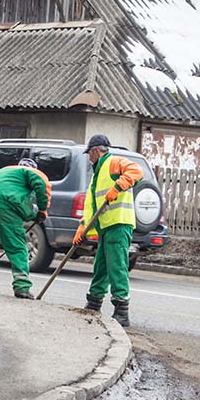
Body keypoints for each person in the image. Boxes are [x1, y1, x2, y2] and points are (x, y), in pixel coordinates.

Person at [73, 134, 142, 326]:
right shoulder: (98, 173)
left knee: (117, 266)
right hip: (106, 227)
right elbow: (91, 206)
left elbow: (136, 171)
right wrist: (82, 228)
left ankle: (122, 310)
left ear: (96, 151)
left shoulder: (113, 162)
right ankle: (94, 302)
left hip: (118, 224)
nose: (89, 158)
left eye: (90, 154)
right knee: (101, 266)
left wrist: (119, 185)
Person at [0, 158, 51, 298]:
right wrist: (42, 211)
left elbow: (19, 202)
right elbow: (41, 185)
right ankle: (21, 286)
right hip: (3, 203)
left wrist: (30, 214)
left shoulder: (6, 173)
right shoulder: (30, 172)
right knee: (17, 245)